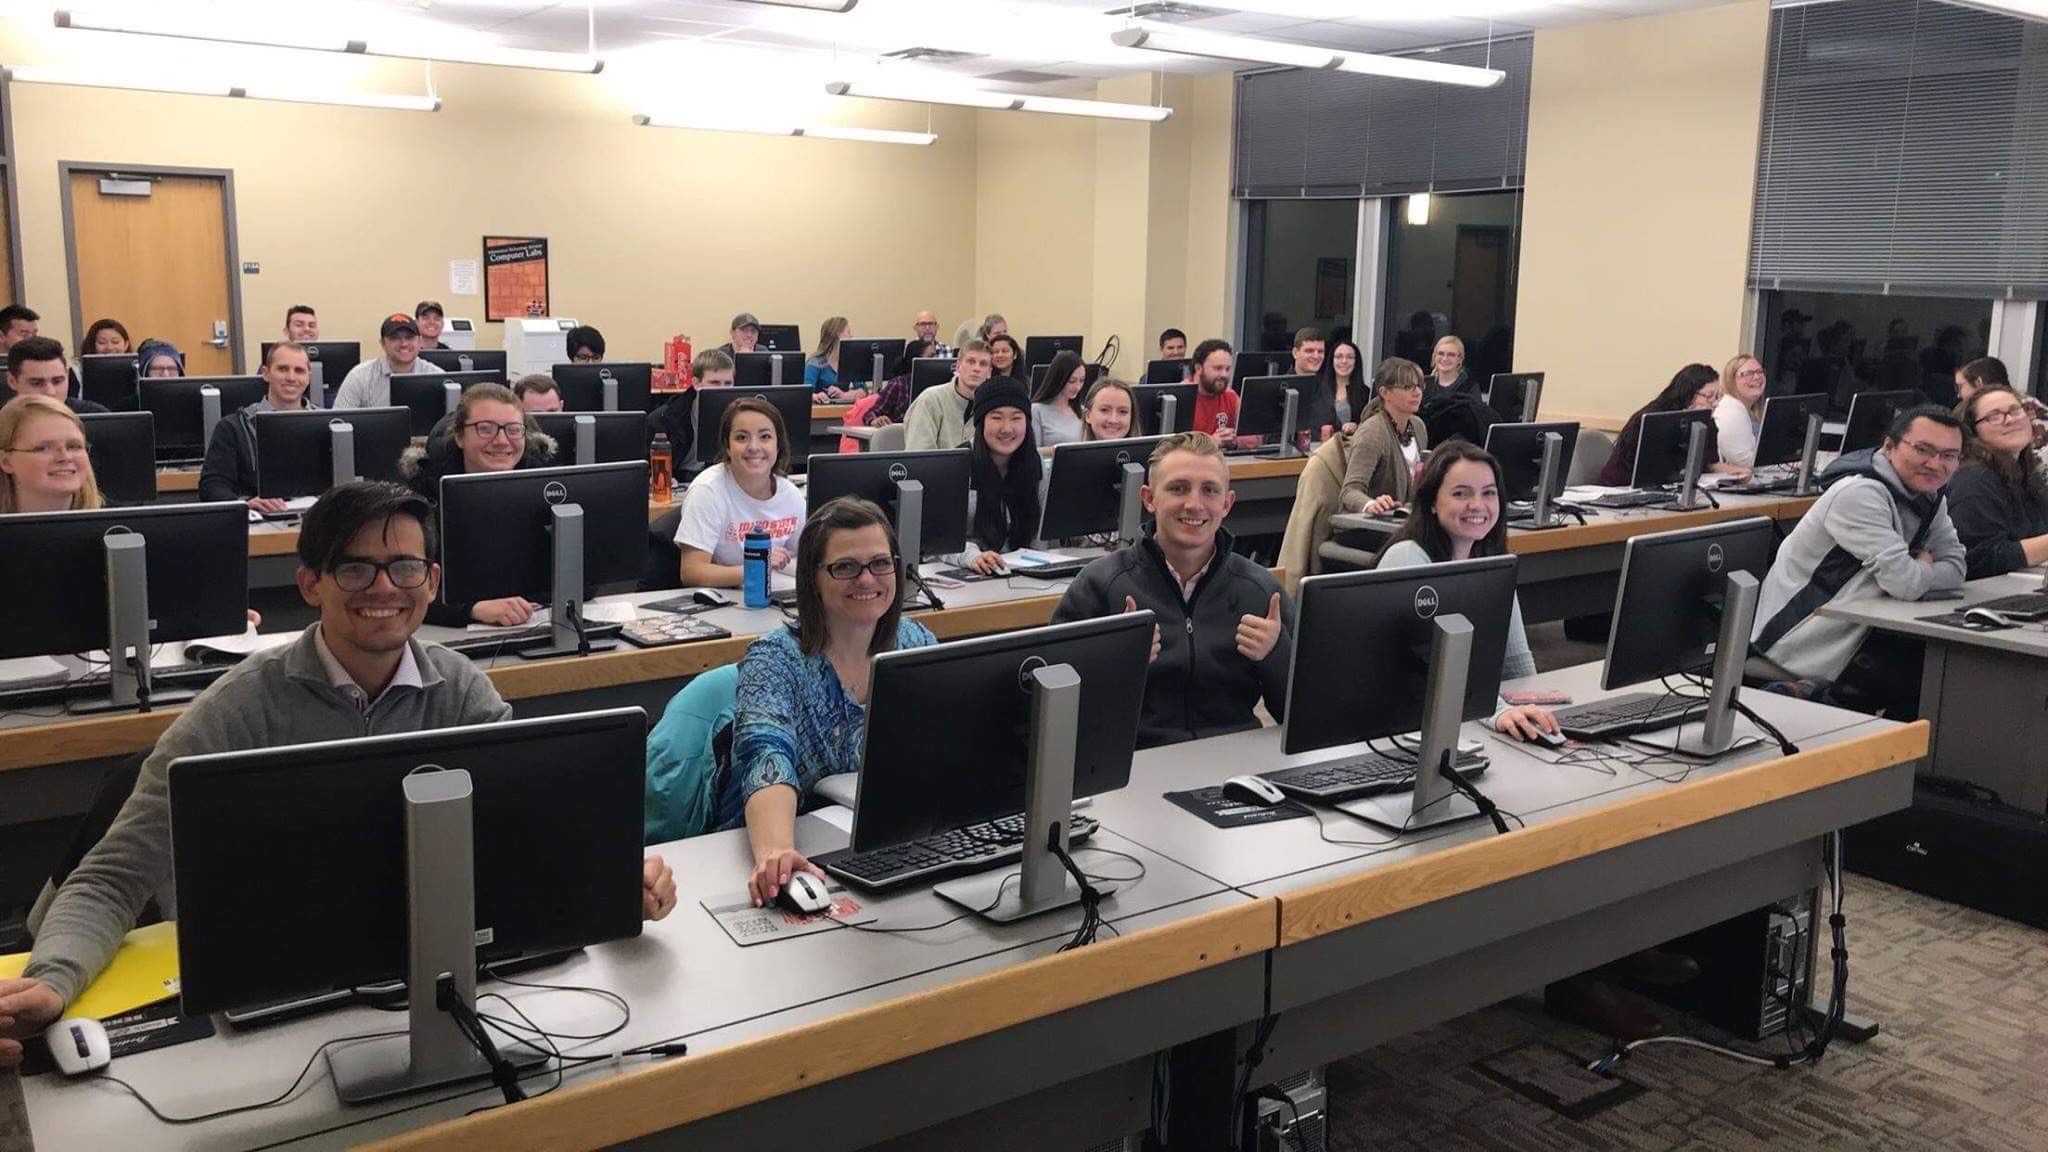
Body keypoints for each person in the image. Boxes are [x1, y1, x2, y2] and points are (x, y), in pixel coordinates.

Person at [0, 482, 678, 1061]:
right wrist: (53, 980)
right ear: (310, 584)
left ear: (433, 582)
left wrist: (620, 874)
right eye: (355, 569)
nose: (384, 587)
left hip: (422, 962)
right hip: (272, 989)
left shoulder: (459, 690)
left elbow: (530, 826)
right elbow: (113, 877)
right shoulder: (238, 708)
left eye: (406, 567)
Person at [722, 497, 938, 905]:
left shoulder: (916, 643)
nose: (866, 579)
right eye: (845, 567)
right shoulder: (775, 659)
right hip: (798, 845)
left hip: (886, 847)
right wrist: (776, 854)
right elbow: (765, 757)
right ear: (812, 578)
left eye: (880, 563)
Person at [1053, 432, 1292, 748]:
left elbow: (1302, 716)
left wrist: (1277, 655)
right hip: (1133, 767)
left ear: (1227, 503)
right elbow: (1053, 710)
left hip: (1235, 761)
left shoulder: (1261, 590)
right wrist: (1113, 663)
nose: (1194, 504)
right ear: (1149, 499)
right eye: (1178, 489)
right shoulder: (1101, 585)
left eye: (1209, 490)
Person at [1750, 405, 1966, 717]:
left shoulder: (1931, 496)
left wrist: (1917, 570)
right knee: (1928, 671)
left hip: (1862, 629)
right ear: (1889, 446)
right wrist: (1923, 566)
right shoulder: (1860, 493)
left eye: (1949, 455)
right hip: (1802, 636)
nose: (1935, 464)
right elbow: (1905, 583)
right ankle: (1826, 707)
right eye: (1923, 449)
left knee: (1942, 666)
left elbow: (1957, 568)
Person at [1371, 441, 1558, 742]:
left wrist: (1535, 715)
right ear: (1432, 502)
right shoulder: (1407, 557)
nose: (1477, 505)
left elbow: (1517, 664)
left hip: (1461, 720)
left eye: (1489, 493)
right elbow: (1434, 669)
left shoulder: (1493, 564)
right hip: (1399, 728)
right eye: (1461, 493)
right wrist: (1496, 712)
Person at [401, 382, 558, 628]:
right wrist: (471, 609)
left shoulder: (546, 485)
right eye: (485, 429)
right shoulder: (421, 496)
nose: (502, 441)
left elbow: (584, 572)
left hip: (536, 620)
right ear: (460, 435)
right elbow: (403, 586)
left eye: (514, 430)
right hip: (452, 634)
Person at [674, 396, 804, 589]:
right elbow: (692, 572)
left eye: (765, 437)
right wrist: (757, 566)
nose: (754, 447)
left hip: (777, 593)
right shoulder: (708, 490)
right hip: (730, 599)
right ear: (728, 446)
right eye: (742, 437)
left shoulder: (790, 493)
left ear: (778, 445)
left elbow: (808, 559)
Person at [198, 341, 316, 510]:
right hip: (259, 522)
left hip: (318, 520)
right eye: (282, 369)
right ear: (265, 373)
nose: (291, 377)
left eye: (299, 371)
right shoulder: (233, 427)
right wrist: (245, 505)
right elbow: (212, 486)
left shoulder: (328, 425)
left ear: (308, 378)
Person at [1948, 386, 2048, 579]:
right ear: (1972, 431)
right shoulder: (1974, 479)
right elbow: (1981, 557)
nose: (2010, 420)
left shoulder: (2026, 473)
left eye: (2015, 410)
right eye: (1994, 416)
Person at [1596, 363, 1750, 486]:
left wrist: (1739, 473)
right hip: (1621, 488)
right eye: (1709, 397)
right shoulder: (1652, 418)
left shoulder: (1706, 421)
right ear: (1688, 393)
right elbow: (1651, 470)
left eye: (1718, 397)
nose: (1715, 403)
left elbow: (1710, 465)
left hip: (1669, 490)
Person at [953, 379, 1042, 575]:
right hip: (971, 577)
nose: (1007, 428)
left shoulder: (1037, 467)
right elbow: (938, 543)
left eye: (1016, 418)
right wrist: (971, 556)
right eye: (997, 417)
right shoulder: (956, 468)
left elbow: (1042, 539)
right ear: (981, 421)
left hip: (1026, 576)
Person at [1339, 357, 1430, 515]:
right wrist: (1370, 504)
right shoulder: (1372, 432)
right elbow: (1349, 492)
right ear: (1385, 392)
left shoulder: (1418, 426)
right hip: (1371, 526)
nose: (1417, 392)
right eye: (1408, 387)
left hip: (1407, 519)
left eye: (1419, 386)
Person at [0, 395, 104, 513]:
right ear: (6, 462)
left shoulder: (122, 524)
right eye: (43, 448)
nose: (65, 457)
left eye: (74, 446)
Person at [334, 313, 440, 409]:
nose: (404, 344)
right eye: (395, 338)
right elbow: (340, 421)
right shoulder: (359, 376)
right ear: (383, 344)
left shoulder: (436, 375)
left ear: (420, 342)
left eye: (409, 337)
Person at [646, 347, 732, 465]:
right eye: (715, 383)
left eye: (728, 383)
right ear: (696, 383)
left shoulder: (736, 417)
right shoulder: (663, 419)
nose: (723, 390)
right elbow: (649, 469)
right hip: (680, 479)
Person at [903, 338, 992, 451]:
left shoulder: (991, 406)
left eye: (983, 364)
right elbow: (919, 457)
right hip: (935, 468)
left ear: (989, 373)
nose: (976, 368)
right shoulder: (930, 400)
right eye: (971, 362)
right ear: (958, 366)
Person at [6, 337, 107, 414]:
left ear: (67, 375)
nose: (50, 392)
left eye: (57, 381)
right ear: (12, 381)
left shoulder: (95, 415)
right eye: (36, 383)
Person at [1714, 354, 1769, 468]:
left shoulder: (1749, 411)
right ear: (1731, 381)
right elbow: (1744, 461)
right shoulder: (1731, 411)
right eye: (1748, 374)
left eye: (1760, 372)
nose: (1756, 377)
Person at [864, 340, 931, 430]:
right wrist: (875, 420)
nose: (936, 360)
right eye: (931, 356)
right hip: (901, 437)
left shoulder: (940, 387)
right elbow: (870, 413)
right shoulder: (899, 384)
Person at [1188, 339, 1239, 447]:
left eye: (1228, 369)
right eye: (1218, 368)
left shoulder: (1231, 396)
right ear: (1198, 368)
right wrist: (1211, 441)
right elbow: (1172, 444)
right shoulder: (1181, 397)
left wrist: (1233, 439)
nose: (1224, 375)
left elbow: (1254, 437)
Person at [1031, 350, 1087, 447]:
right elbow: (1033, 452)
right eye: (1072, 381)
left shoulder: (1082, 411)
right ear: (1059, 379)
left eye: (1081, 381)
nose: (1077, 387)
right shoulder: (1036, 410)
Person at [1290, 327, 1340, 432]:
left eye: (1320, 351)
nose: (1316, 356)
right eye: (1309, 351)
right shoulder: (1279, 388)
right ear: (1295, 353)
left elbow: (1335, 426)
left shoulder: (1327, 386)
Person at [1321, 338, 1367, 427]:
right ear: (1332, 360)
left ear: (1356, 362)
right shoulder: (1317, 390)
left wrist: (1357, 427)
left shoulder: (1365, 394)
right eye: (1339, 357)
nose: (1344, 361)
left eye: (1350, 357)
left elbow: (1369, 426)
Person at [804, 316, 852, 400]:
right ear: (838, 335)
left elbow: (863, 391)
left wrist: (843, 395)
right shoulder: (815, 362)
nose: (851, 336)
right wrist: (817, 396)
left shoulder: (850, 361)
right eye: (848, 332)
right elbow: (805, 392)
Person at [1427, 335, 1480, 400]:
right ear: (1434, 356)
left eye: (1451, 355)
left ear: (1460, 359)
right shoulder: (1425, 386)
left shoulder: (1470, 387)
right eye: (1441, 353)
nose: (1445, 359)